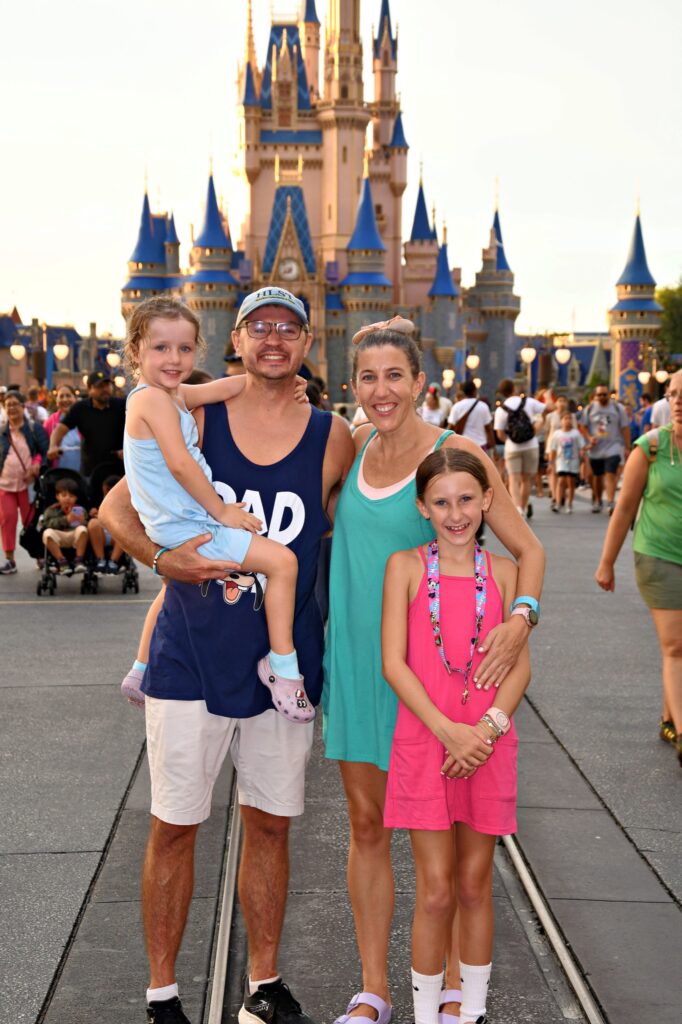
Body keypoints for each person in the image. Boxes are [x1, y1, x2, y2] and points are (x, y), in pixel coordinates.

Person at [99, 285, 355, 1024]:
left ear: (309, 344)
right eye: (259, 327)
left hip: (284, 665)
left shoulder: (332, 435)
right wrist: (160, 557)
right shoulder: (192, 413)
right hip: (192, 655)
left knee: (270, 823)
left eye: (290, 328)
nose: (275, 339)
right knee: (176, 824)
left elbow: (398, 476)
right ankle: (162, 994)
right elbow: (118, 508)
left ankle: (264, 986)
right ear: (235, 339)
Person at [322, 326, 544, 1024]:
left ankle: (452, 985)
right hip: (363, 667)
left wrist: (522, 618)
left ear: (419, 381)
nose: (381, 390)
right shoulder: (353, 448)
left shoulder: (457, 456)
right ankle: (373, 989)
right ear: (353, 385)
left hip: (434, 680)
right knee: (366, 825)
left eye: (395, 375)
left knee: (444, 840)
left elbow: (526, 549)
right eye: (367, 377)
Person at [382, 448, 530, 1024]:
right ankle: (425, 1015)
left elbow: (520, 666)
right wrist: (449, 732)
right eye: (441, 502)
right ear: (423, 507)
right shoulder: (406, 568)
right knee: (437, 889)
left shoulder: (506, 574)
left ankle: (470, 1012)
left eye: (467, 499)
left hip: (487, 747)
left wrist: (486, 731)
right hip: (428, 743)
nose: (456, 512)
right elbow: (394, 662)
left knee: (475, 885)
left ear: (487, 501)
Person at [120, 295, 313, 721]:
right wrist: (222, 509)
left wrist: (290, 382)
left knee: (176, 590)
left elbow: (234, 385)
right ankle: (282, 667)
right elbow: (180, 463)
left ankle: (139, 666)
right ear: (135, 351)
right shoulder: (151, 400)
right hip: (191, 524)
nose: (175, 359)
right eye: (161, 348)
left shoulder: (170, 395)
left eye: (185, 349)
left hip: (180, 524)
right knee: (282, 563)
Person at [595, 369, 682, 767]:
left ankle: (669, 717)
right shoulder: (650, 448)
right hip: (658, 556)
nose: (677, 401)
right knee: (676, 646)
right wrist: (606, 562)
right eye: (672, 393)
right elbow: (625, 508)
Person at [0, 390, 48, 574]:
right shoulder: (2, 432)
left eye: (15, 404)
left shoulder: (34, 429)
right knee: (7, 520)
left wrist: (36, 465)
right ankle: (10, 559)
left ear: (23, 407)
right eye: (8, 405)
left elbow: (44, 453)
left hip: (28, 486)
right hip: (5, 485)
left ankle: (39, 556)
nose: (11, 408)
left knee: (32, 523)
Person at [47, 370, 126, 478]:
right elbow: (61, 428)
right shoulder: (80, 408)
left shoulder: (121, 405)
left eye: (107, 385)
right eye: (99, 386)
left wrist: (128, 448)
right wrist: (53, 446)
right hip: (91, 471)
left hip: (119, 470)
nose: (105, 389)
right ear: (89, 389)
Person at [493, 378, 547, 518]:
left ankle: (518, 509)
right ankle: (523, 505)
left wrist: (510, 440)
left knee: (513, 479)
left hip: (512, 447)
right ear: (514, 389)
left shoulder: (501, 410)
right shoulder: (528, 402)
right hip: (531, 445)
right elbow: (547, 408)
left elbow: (499, 434)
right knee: (527, 479)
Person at [580, 385, 630, 514]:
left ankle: (610, 501)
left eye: (604, 394)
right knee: (597, 476)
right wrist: (589, 438)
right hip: (596, 448)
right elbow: (583, 426)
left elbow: (625, 428)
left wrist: (627, 446)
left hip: (613, 446)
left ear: (609, 395)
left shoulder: (618, 409)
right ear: (595, 396)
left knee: (610, 473)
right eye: (599, 395)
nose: (602, 397)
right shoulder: (590, 409)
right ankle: (597, 500)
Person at [40, 477, 89, 574]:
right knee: (47, 533)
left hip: (74, 535)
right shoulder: (52, 509)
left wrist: (82, 521)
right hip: (59, 536)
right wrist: (66, 520)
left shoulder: (80, 510)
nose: (67, 498)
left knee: (83, 529)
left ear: (76, 498)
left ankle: (79, 560)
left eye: (71, 496)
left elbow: (85, 525)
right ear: (57, 496)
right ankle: (61, 561)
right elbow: (46, 524)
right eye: (64, 495)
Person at [547, 411, 586, 513]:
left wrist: (582, 454)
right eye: (565, 419)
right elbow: (553, 449)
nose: (568, 421)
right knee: (561, 481)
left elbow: (581, 446)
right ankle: (558, 503)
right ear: (561, 421)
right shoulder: (557, 434)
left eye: (569, 418)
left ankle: (569, 503)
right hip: (561, 461)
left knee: (570, 482)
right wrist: (551, 463)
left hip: (573, 461)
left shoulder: (576, 433)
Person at [87, 474, 126, 573]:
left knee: (125, 527)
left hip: (116, 537)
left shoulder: (125, 503)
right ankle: (100, 559)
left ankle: (114, 560)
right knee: (93, 523)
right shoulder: (98, 501)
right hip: (101, 535)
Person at [447, 380, 496, 456]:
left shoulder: (457, 407)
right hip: (480, 447)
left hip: (462, 447)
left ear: (463, 392)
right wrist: (494, 449)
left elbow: (450, 429)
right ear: (475, 391)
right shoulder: (483, 406)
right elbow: (489, 429)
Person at [44, 384, 81, 471]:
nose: (65, 399)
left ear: (75, 398)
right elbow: (43, 447)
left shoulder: (84, 418)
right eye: (61, 396)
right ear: (56, 401)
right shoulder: (50, 422)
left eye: (68, 396)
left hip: (81, 472)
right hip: (58, 472)